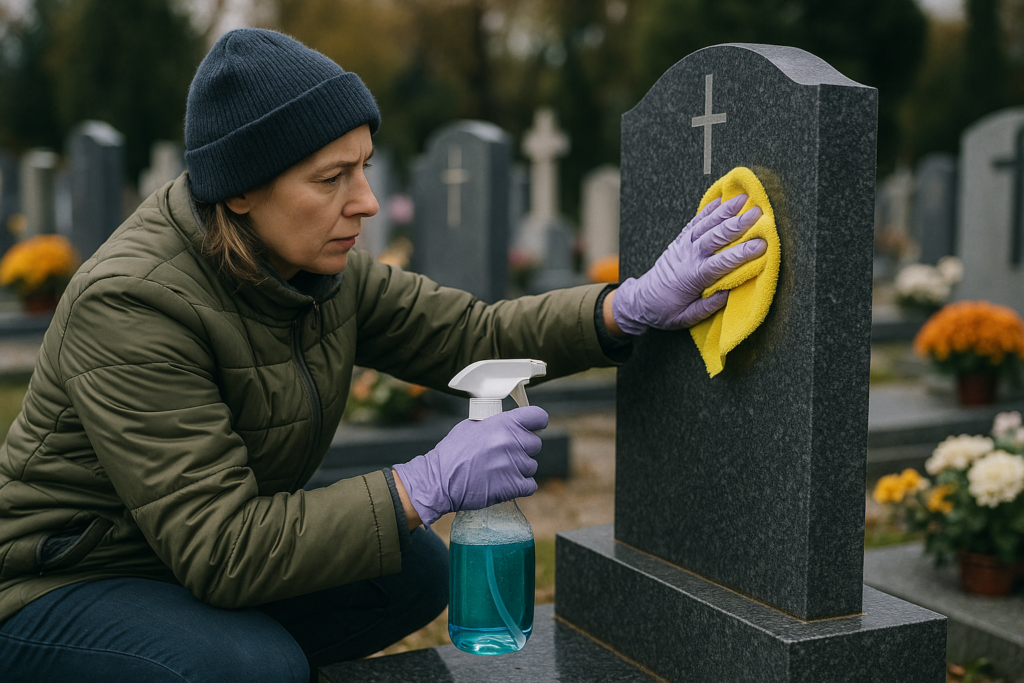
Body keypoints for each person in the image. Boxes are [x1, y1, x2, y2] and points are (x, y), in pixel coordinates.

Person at [0, 28, 765, 683]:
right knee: (250, 664)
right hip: (64, 578)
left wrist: (624, 307)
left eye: (363, 166)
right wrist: (421, 483)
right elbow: (221, 546)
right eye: (331, 178)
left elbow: (473, 335)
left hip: (177, 556)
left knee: (411, 573)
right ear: (238, 192)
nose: (364, 200)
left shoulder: (321, 270)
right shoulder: (133, 303)